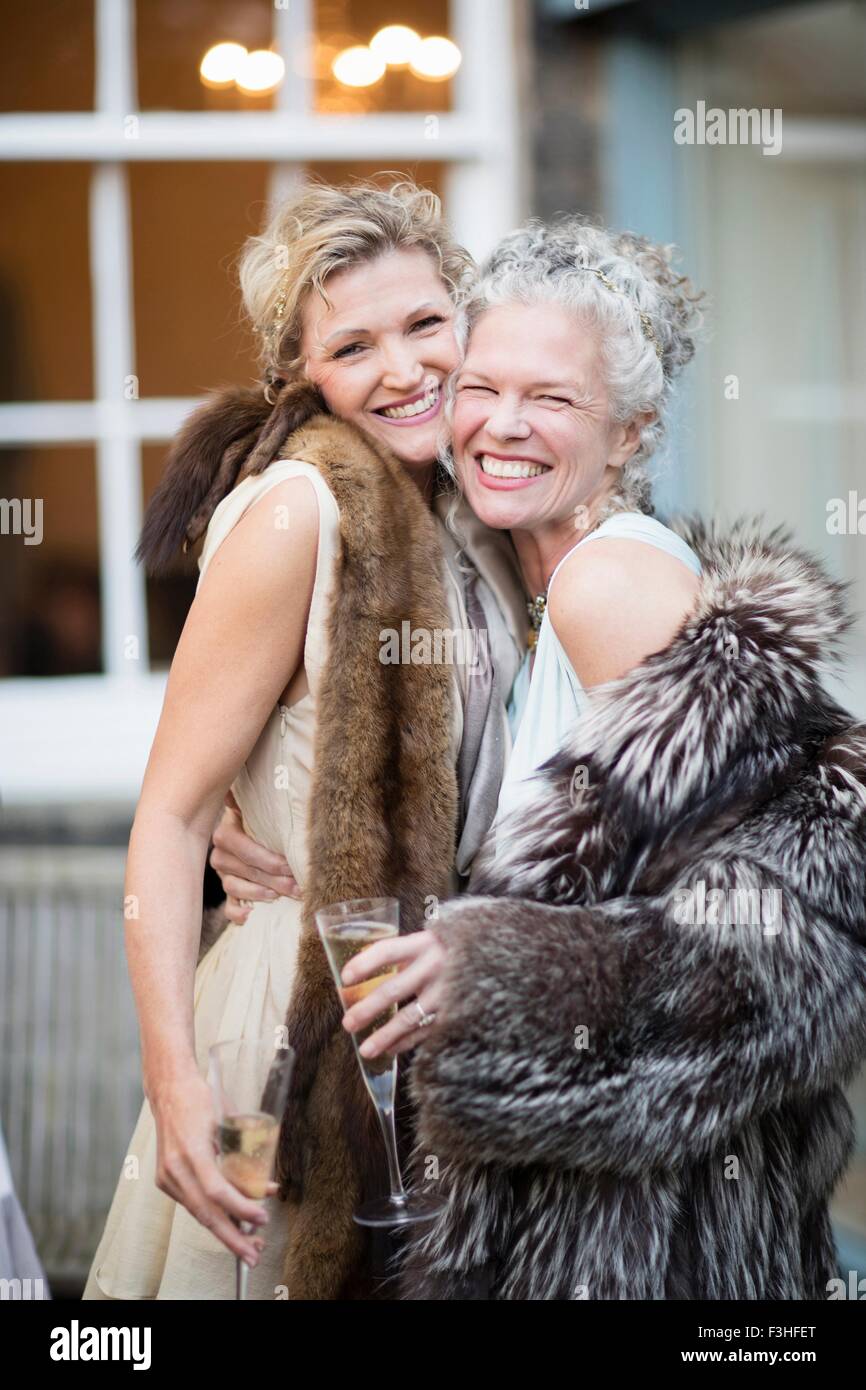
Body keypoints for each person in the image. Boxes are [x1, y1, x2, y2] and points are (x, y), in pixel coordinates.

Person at [314, 218, 866, 1299]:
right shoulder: (549, 582)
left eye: (551, 399)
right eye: (480, 387)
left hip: (653, 1238)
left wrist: (494, 966)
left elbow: (809, 913)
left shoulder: (606, 584)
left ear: (629, 434)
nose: (499, 426)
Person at [81, 179, 527, 1302]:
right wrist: (178, 1083)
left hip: (436, 1015)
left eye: (425, 323)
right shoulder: (298, 512)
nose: (404, 368)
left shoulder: (479, 514)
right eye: (354, 345)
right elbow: (173, 817)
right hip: (270, 1040)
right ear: (303, 376)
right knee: (248, 1272)